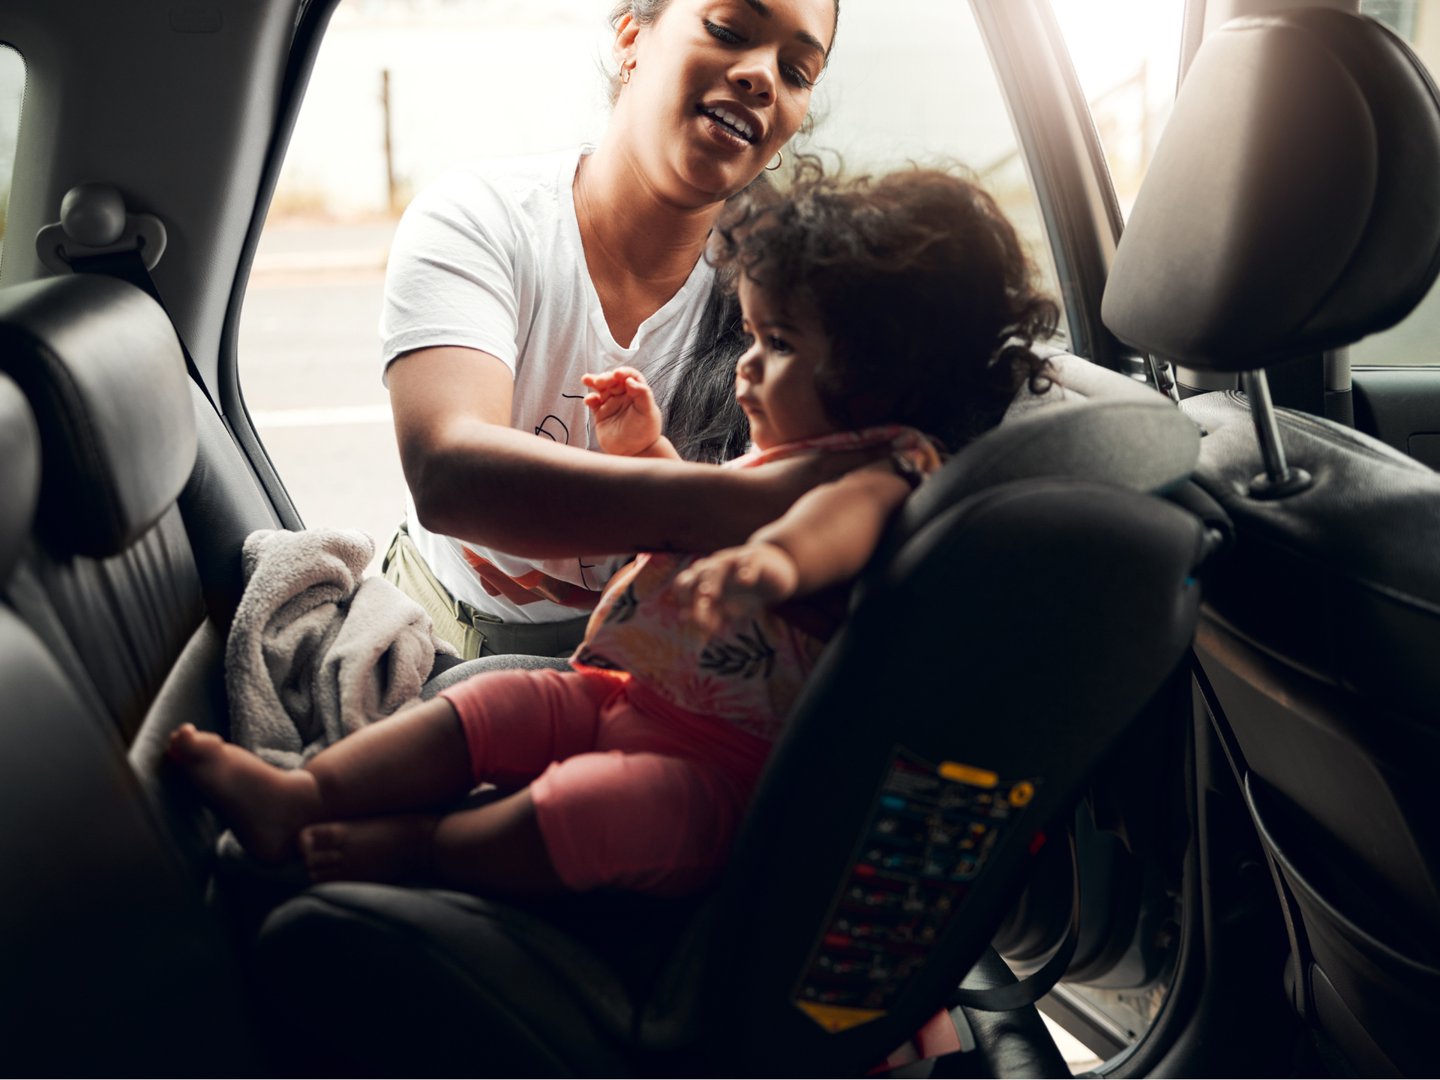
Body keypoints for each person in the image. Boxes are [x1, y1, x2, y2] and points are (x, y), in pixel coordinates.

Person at [172, 162, 1057, 899]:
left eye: (778, 343)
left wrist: (775, 567)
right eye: (750, 334)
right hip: (629, 696)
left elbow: (837, 527)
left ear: (883, 376)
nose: (746, 364)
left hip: (721, 775)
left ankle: (420, 852)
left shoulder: (882, 467)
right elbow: (696, 512)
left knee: (589, 809)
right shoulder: (790, 455)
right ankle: (305, 793)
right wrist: (648, 449)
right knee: (488, 706)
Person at [379, 0, 848, 660]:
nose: (763, 76)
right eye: (729, 30)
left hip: (648, 664)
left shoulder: (783, 300)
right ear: (632, 36)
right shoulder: (479, 221)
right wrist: (745, 503)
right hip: (437, 641)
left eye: (798, 71)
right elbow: (448, 472)